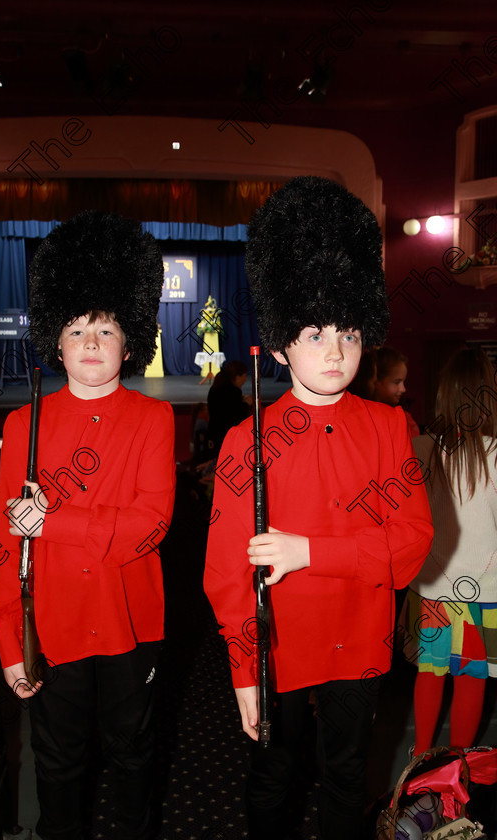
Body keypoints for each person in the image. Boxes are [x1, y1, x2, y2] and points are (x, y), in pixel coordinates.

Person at [203, 176, 433, 840]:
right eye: (313, 332)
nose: (335, 350)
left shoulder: (391, 427)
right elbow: (224, 574)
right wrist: (245, 673)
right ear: (279, 345)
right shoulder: (247, 439)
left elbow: (413, 542)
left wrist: (311, 552)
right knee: (272, 783)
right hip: (277, 649)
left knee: (345, 779)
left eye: (349, 331)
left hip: (360, 647)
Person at [0, 212, 176, 840]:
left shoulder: (154, 420)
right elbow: (4, 544)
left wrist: (56, 520)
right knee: (59, 766)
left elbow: (151, 524)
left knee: (133, 757)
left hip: (131, 625)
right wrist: (10, 642)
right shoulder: (21, 427)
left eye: (106, 327)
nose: (91, 340)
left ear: (131, 341)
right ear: (55, 341)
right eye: (76, 328)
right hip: (53, 627)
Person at [402, 346, 497, 756]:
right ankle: (456, 765)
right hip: (487, 591)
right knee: (472, 675)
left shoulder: (422, 449)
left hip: (432, 586)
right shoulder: (496, 452)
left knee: (431, 671)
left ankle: (420, 759)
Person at [373, 345, 420, 437]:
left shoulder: (404, 418)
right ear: (376, 380)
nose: (403, 389)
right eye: (396, 382)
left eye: (403, 381)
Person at [207, 360, 252, 455]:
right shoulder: (233, 392)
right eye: (244, 376)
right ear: (237, 377)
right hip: (226, 435)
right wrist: (247, 403)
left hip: (214, 432)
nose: (245, 380)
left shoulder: (216, 387)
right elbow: (236, 414)